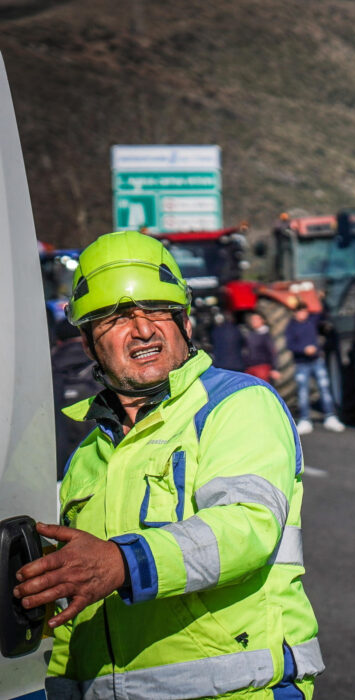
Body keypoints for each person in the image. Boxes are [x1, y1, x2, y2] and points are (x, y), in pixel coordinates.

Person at [13, 231, 323, 698]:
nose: (142, 329)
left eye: (157, 310)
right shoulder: (88, 456)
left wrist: (123, 561)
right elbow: (73, 602)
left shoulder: (237, 404)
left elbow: (246, 527)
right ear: (86, 342)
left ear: (185, 323)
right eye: (115, 317)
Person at [49, 318, 100, 480]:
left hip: (51, 474)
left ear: (58, 340)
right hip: (92, 475)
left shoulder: (43, 371)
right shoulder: (102, 371)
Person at [284, 301, 344, 435]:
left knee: (324, 388)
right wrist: (303, 350)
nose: (302, 314)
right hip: (301, 363)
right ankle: (305, 419)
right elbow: (290, 345)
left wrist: (321, 299)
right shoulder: (291, 327)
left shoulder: (312, 321)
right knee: (303, 392)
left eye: (304, 311)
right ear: (295, 313)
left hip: (316, 361)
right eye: (299, 312)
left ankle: (330, 416)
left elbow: (324, 312)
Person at [244, 310, 281, 383]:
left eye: (256, 319)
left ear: (262, 320)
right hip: (250, 368)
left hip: (262, 368)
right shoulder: (250, 335)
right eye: (252, 320)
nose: (254, 321)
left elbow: (273, 353)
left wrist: (275, 368)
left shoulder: (266, 336)